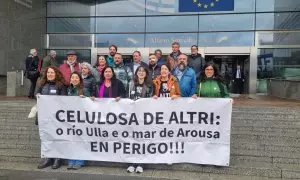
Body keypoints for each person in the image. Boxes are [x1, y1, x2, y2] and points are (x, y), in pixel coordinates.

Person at [36, 66, 67, 169]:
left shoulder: (61, 85)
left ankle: (58, 159)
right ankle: (48, 158)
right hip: (45, 117)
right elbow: (37, 96)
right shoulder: (41, 84)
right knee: (47, 137)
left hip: (56, 117)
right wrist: (38, 95)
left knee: (57, 137)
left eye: (52, 72)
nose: (50, 74)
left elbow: (64, 100)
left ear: (56, 74)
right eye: (48, 72)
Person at [127, 66, 153, 173]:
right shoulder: (131, 84)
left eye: (143, 71)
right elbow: (127, 97)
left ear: (146, 74)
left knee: (142, 140)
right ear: (136, 73)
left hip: (144, 117)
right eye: (139, 71)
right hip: (133, 116)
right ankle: (132, 163)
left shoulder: (150, 85)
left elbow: (150, 100)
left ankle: (141, 163)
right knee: (132, 140)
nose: (141, 72)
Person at [67, 72, 85, 170]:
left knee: (80, 141)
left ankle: (80, 161)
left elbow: (90, 102)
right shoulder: (68, 90)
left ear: (80, 79)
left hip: (81, 120)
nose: (74, 79)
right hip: (69, 119)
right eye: (72, 77)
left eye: (76, 77)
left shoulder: (84, 89)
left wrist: (85, 98)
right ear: (70, 80)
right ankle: (71, 160)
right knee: (71, 141)